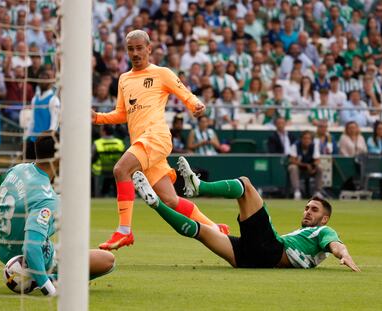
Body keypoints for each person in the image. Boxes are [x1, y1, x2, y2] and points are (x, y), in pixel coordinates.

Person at [92, 30, 228, 251]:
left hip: (156, 136)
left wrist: (195, 105)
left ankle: (124, 231)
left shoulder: (161, 73)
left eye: (139, 48)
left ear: (149, 49)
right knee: (171, 200)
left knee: (120, 170)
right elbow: (122, 113)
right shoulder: (124, 79)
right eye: (130, 49)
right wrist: (97, 118)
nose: (135, 53)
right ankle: (215, 228)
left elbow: (184, 92)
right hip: (143, 143)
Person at [132, 157, 360, 271]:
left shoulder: (323, 230)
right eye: (307, 207)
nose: (308, 211)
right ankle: (156, 204)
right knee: (200, 231)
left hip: (271, 250)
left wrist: (344, 253)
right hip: (249, 258)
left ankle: (199, 187)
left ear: (325, 218)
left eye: (314, 209)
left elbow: (334, 243)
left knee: (246, 184)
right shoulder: (305, 238)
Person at [0, 131, 115, 296]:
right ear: (58, 158)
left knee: (65, 202)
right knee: (107, 260)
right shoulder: (45, 197)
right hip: (26, 258)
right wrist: (48, 288)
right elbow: (30, 247)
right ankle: (48, 278)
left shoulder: (17, 169)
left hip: (1, 248)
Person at [25, 70, 60, 160]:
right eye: (41, 79)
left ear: (50, 82)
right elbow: (32, 120)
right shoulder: (34, 99)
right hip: (33, 139)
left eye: (45, 79)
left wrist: (49, 139)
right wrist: (26, 136)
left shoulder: (53, 99)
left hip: (45, 142)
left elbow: (54, 122)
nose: (42, 81)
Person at [92, 125, 125, 197]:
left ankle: (96, 195)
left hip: (100, 171)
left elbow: (91, 159)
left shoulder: (97, 143)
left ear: (104, 131)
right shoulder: (119, 143)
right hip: (115, 171)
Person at [288, 131, 323, 200]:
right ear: (301, 139)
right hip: (298, 168)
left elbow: (317, 160)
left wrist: (314, 167)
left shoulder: (314, 146)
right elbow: (292, 160)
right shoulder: (295, 145)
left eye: (308, 138)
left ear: (311, 140)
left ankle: (317, 192)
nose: (306, 140)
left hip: (310, 168)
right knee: (293, 167)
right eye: (304, 138)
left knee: (320, 168)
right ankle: (297, 191)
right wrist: (306, 165)